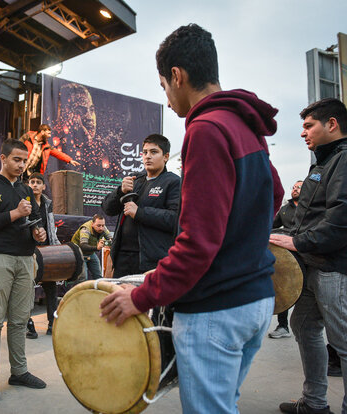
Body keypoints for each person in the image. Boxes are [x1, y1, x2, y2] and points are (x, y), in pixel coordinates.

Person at [99, 24, 284, 414]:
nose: (166, 99)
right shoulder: (246, 124)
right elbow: (276, 193)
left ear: (178, 77)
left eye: (164, 86)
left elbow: (197, 243)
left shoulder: (205, 129)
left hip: (217, 308)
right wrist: (242, 243)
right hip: (256, 299)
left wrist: (140, 296)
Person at [270, 98, 347, 414]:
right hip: (318, 262)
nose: (303, 133)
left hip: (341, 265)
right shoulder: (329, 161)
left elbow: (342, 221)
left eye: (309, 125)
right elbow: (312, 216)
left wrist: (296, 242)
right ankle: (314, 403)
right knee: (304, 326)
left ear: (332, 124)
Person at [0, 138, 48, 403]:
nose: (20, 165)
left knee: (19, 320)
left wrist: (37, 234)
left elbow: (33, 223)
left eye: (24, 160)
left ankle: (19, 371)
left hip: (25, 259)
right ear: (3, 158)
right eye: (16, 159)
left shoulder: (26, 190)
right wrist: (16, 214)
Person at [101, 133, 180, 277]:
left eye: (154, 152)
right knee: (121, 298)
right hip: (122, 259)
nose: (148, 156)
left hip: (151, 260)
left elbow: (175, 219)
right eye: (145, 152)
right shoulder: (134, 181)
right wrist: (120, 191)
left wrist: (140, 213)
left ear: (166, 156)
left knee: (146, 299)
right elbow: (107, 209)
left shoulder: (173, 182)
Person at [25, 172, 61, 338]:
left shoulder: (47, 203)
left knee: (51, 288)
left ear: (44, 186)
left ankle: (52, 324)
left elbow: (51, 227)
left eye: (38, 182)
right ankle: (28, 324)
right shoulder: (24, 202)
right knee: (26, 289)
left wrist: (55, 248)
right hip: (28, 251)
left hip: (46, 252)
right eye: (32, 182)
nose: (35, 185)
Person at [268, 180, 303, 339]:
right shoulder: (284, 209)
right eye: (294, 187)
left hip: (303, 249)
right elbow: (272, 225)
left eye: (299, 188)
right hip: (286, 250)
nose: (295, 190)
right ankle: (283, 326)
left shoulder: (308, 207)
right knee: (282, 286)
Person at [71, 214, 112, 280]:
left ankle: (97, 290)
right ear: (92, 224)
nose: (101, 228)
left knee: (98, 276)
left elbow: (111, 239)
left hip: (90, 253)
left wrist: (110, 242)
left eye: (103, 225)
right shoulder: (85, 229)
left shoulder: (103, 228)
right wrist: (96, 247)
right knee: (83, 278)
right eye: (98, 226)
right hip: (79, 253)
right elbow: (83, 246)